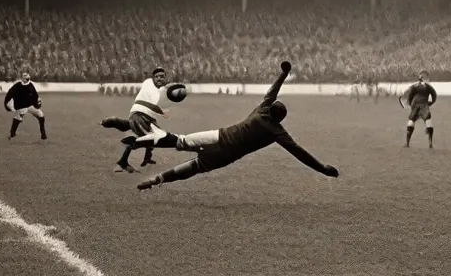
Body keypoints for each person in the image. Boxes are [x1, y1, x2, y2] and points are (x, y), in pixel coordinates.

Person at [125, 61, 339, 190]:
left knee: (181, 140)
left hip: (219, 136)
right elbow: (299, 152)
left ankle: (141, 142)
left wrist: (283, 73)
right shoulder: (277, 132)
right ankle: (158, 179)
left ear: (271, 108)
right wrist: (322, 168)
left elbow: (272, 92)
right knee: (195, 167)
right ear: (281, 119)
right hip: (227, 155)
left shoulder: (263, 109)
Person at [100, 67, 174, 172]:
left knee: (155, 134)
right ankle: (123, 159)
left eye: (161, 76)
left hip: (145, 116)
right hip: (140, 115)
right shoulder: (150, 85)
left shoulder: (155, 87)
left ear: (165, 77)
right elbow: (149, 104)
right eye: (156, 77)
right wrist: (162, 112)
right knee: (149, 137)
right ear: (153, 78)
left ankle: (145, 158)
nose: (159, 79)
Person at [4, 71, 47, 141]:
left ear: (28, 78)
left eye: (26, 78)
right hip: (21, 107)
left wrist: (38, 103)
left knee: (41, 115)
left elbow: (35, 95)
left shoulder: (31, 85)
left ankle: (43, 133)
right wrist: (7, 104)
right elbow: (9, 94)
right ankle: (12, 133)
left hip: (30, 106)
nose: (25, 80)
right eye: (24, 78)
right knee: (17, 119)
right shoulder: (17, 86)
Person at [400, 71, 437, 148]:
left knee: (411, 121)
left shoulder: (415, 86)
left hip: (415, 105)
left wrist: (411, 105)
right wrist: (430, 103)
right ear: (425, 78)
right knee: (428, 121)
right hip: (424, 105)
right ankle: (430, 143)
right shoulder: (428, 86)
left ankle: (407, 143)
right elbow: (434, 96)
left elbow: (410, 96)